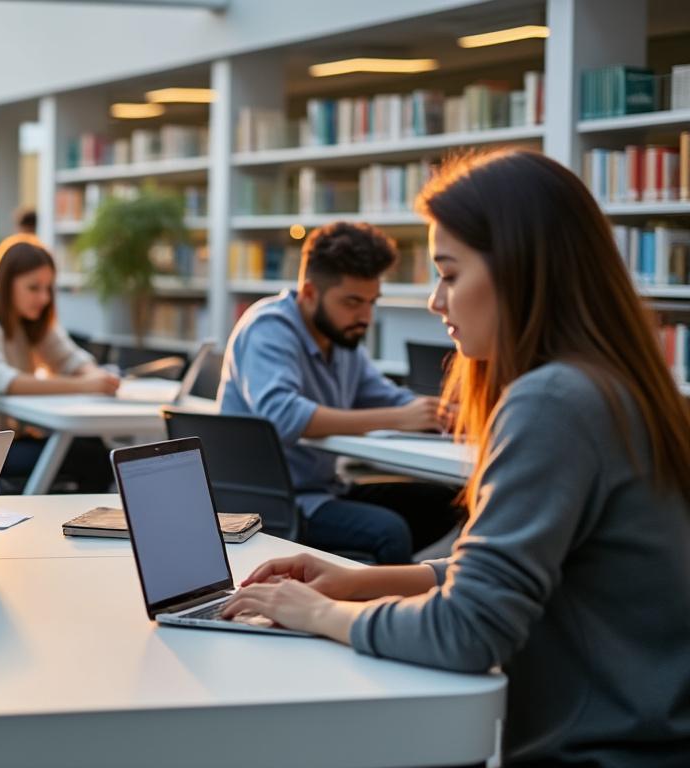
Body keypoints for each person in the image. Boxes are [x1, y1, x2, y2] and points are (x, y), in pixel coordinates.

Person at [219, 149, 690, 766]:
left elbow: (467, 629)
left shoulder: (554, 401)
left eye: (449, 273)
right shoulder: (620, 385)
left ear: (520, 270)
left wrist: (320, 613)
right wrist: (366, 581)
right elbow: (525, 573)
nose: (437, 302)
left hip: (599, 750)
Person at [218, 221, 461, 563]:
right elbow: (283, 415)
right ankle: (373, 608)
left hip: (325, 490)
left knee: (447, 502)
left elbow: (385, 396)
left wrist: (438, 413)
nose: (365, 316)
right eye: (352, 302)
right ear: (309, 293)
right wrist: (399, 418)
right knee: (390, 531)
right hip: (273, 503)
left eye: (371, 301)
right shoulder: (269, 327)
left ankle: (355, 580)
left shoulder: (342, 339)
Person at [0, 234, 119, 491]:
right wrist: (87, 385)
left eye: (48, 288)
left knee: (92, 449)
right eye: (33, 288)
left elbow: (69, 358)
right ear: (6, 284)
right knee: (94, 457)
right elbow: (0, 381)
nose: (43, 298)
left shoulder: (30, 321)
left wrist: (96, 376)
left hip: (6, 442)